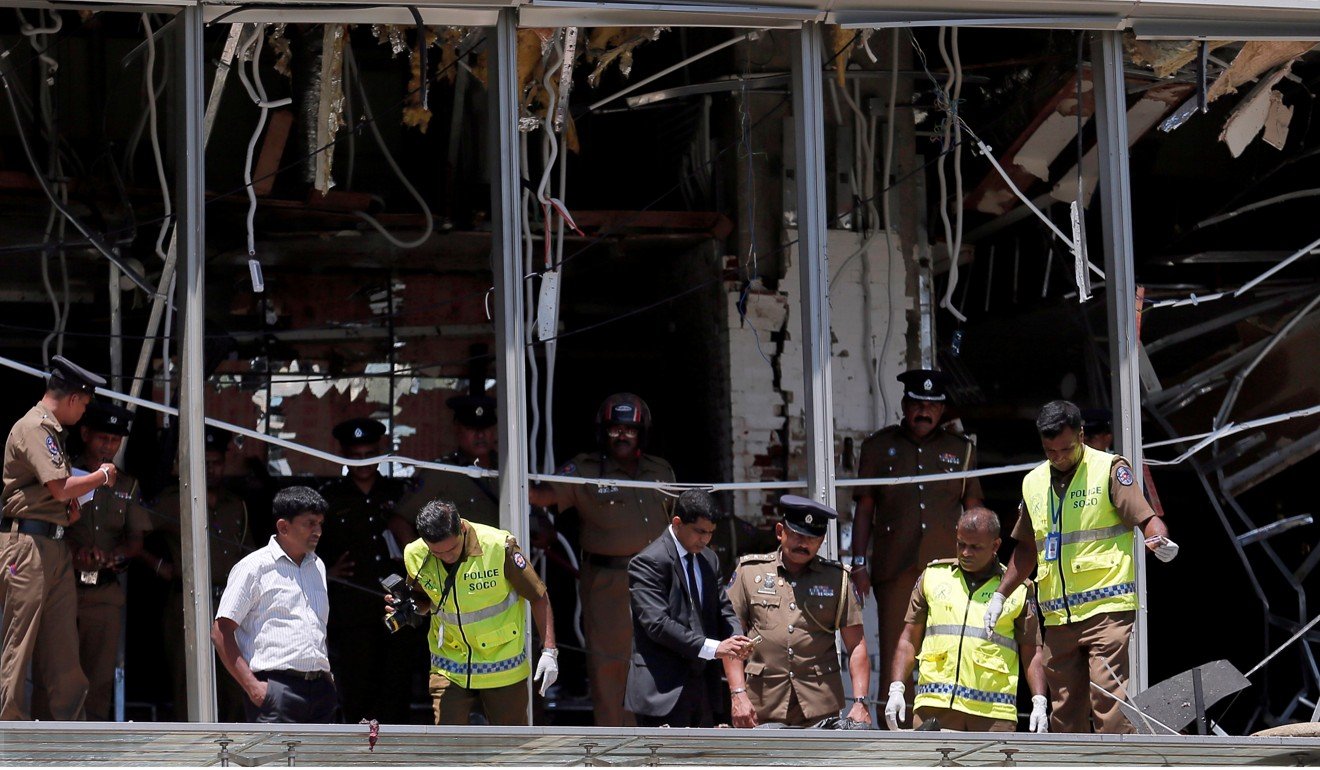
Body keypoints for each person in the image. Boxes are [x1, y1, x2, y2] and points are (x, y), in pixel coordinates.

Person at [986, 400, 1180, 734]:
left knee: (1108, 701)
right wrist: (1000, 595)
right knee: (1064, 712)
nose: (1058, 457)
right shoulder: (1033, 482)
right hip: (1059, 617)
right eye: (1050, 451)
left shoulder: (1109, 469)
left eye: (1066, 448)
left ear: (1080, 435)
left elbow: (1147, 519)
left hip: (1107, 608)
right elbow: (1027, 548)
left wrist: (1158, 541)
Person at [529, 392, 675, 726]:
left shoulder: (660, 470)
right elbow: (541, 496)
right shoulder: (583, 470)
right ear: (602, 432)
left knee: (659, 659)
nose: (622, 435)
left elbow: (679, 520)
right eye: (615, 429)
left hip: (659, 580)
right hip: (609, 583)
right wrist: (504, 470)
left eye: (630, 430)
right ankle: (616, 746)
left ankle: (658, 741)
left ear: (642, 433)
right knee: (610, 666)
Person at [850, 369, 982, 722]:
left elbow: (974, 511)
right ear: (905, 406)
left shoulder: (962, 450)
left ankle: (945, 731)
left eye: (932, 406)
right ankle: (894, 740)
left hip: (950, 571)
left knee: (949, 651)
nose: (924, 412)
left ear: (942, 411)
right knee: (897, 653)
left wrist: (983, 564)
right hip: (896, 569)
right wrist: (858, 563)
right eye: (918, 404)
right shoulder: (878, 447)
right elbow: (864, 509)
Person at [0, 356, 112, 720]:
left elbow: (54, 494)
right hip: (26, 547)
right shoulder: (34, 427)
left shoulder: (51, 432)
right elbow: (61, 487)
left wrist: (67, 510)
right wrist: (102, 477)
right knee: (19, 640)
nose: (83, 413)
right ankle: (8, 727)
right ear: (73, 398)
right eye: (84, 404)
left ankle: (70, 727)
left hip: (53, 542)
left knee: (63, 643)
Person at [396, 499, 558, 726]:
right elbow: (425, 599)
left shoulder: (498, 547)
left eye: (452, 548)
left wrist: (549, 651)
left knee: (509, 748)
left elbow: (538, 596)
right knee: (448, 747)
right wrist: (406, 605)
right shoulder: (416, 554)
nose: (446, 556)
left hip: (503, 666)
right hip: (449, 666)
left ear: (462, 527)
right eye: (437, 552)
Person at [885, 507, 1047, 733]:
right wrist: (896, 688)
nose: (966, 553)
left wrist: (1039, 701)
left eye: (975, 547)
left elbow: (1032, 652)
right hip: (934, 709)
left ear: (996, 546)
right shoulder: (933, 577)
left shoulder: (1018, 590)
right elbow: (909, 638)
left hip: (993, 716)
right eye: (961, 544)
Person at [725, 495, 870, 728]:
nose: (804, 543)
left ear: (822, 539)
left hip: (820, 707)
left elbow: (856, 645)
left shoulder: (837, 579)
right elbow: (732, 640)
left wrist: (861, 702)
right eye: (797, 534)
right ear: (780, 531)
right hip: (761, 705)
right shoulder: (749, 572)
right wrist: (738, 694)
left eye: (812, 538)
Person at [625, 489, 750, 727]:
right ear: (677, 523)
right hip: (663, 691)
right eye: (700, 532)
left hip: (702, 687)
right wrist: (715, 648)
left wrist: (737, 639)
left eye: (711, 533)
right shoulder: (649, 561)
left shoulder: (708, 559)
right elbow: (657, 624)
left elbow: (723, 608)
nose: (705, 540)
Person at [212, 486, 336, 723]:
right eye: (309, 523)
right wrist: (253, 687)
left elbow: (317, 625)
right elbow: (220, 631)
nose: (318, 531)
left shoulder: (317, 566)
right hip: (276, 689)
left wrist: (328, 678)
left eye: (320, 523)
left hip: (321, 690)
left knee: (319, 760)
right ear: (283, 527)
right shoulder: (254, 567)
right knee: (276, 760)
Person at [155, 425, 254, 720]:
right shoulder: (174, 500)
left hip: (230, 605)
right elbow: (135, 528)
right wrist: (158, 565)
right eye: (204, 463)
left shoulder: (236, 505)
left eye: (216, 463)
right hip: (187, 603)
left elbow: (248, 555)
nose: (211, 470)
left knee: (234, 685)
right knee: (189, 683)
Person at [318, 417, 413, 724]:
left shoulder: (401, 493)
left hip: (395, 606)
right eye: (355, 456)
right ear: (344, 455)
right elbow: (307, 548)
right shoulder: (329, 497)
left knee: (396, 688)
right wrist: (327, 572)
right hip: (350, 611)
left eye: (369, 455)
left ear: (381, 453)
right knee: (354, 690)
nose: (363, 463)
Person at [64, 400, 153, 721]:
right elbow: (47, 528)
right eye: (103, 438)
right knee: (59, 674)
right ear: (85, 434)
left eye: (115, 441)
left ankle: (92, 754)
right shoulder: (62, 475)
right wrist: (73, 554)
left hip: (103, 592)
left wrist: (112, 556)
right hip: (63, 589)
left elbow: (136, 541)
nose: (109, 447)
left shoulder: (127, 485)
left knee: (99, 679)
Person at [396, 394, 500, 535]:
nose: (480, 435)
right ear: (457, 429)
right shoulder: (442, 472)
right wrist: (421, 556)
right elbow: (400, 520)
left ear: (494, 430)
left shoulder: (509, 469)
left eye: (485, 427)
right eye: (471, 428)